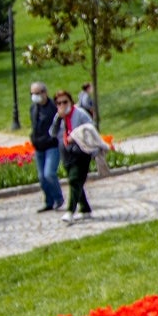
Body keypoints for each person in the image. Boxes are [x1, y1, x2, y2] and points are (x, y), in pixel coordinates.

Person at [55, 89, 97, 221]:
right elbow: (52, 133)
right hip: (67, 154)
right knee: (76, 182)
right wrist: (58, 119)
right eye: (59, 103)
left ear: (71, 101)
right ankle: (85, 209)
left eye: (65, 102)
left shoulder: (80, 114)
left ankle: (70, 211)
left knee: (74, 180)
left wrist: (76, 136)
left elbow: (91, 129)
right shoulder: (59, 117)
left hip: (81, 153)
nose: (62, 105)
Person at [28, 81, 62, 211]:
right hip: (39, 147)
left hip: (51, 145)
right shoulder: (33, 108)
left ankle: (58, 198)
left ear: (44, 92)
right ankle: (49, 201)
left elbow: (58, 126)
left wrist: (51, 138)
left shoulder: (53, 107)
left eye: (37, 93)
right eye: (32, 93)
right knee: (41, 177)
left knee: (49, 174)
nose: (35, 96)